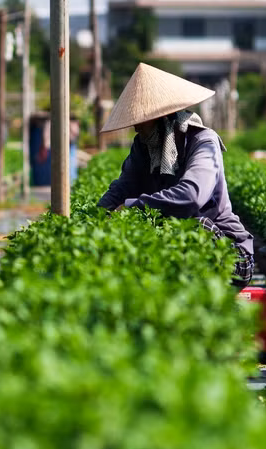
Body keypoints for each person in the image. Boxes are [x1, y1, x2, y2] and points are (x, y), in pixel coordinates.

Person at [97, 63, 255, 288]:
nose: (135, 127)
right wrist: (94, 220)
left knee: (193, 226)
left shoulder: (203, 142)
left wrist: (132, 208)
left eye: (141, 119)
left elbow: (191, 196)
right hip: (179, 252)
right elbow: (122, 188)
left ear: (163, 117)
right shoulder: (144, 147)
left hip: (232, 256)